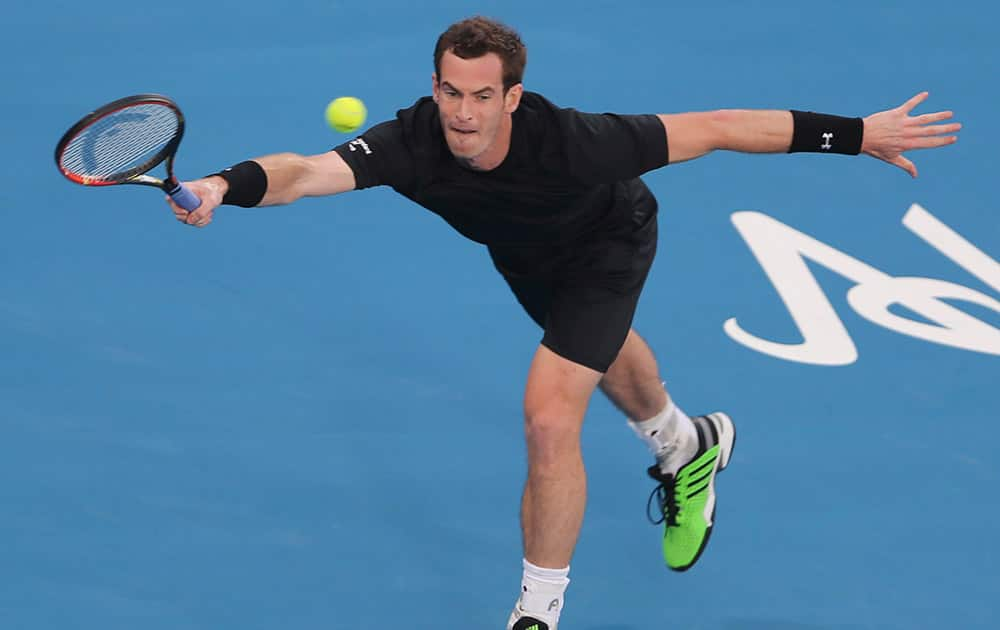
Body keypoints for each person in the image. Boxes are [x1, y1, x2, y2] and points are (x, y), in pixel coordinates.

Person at [166, 16, 960, 630]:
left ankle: (536, 612)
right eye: (451, 92)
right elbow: (305, 174)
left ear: (512, 96)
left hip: (608, 246)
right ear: (434, 86)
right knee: (608, 359)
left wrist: (857, 136)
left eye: (483, 95)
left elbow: (718, 126)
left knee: (549, 417)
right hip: (528, 261)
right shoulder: (411, 142)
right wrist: (220, 186)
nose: (464, 113)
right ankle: (690, 446)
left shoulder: (578, 143)